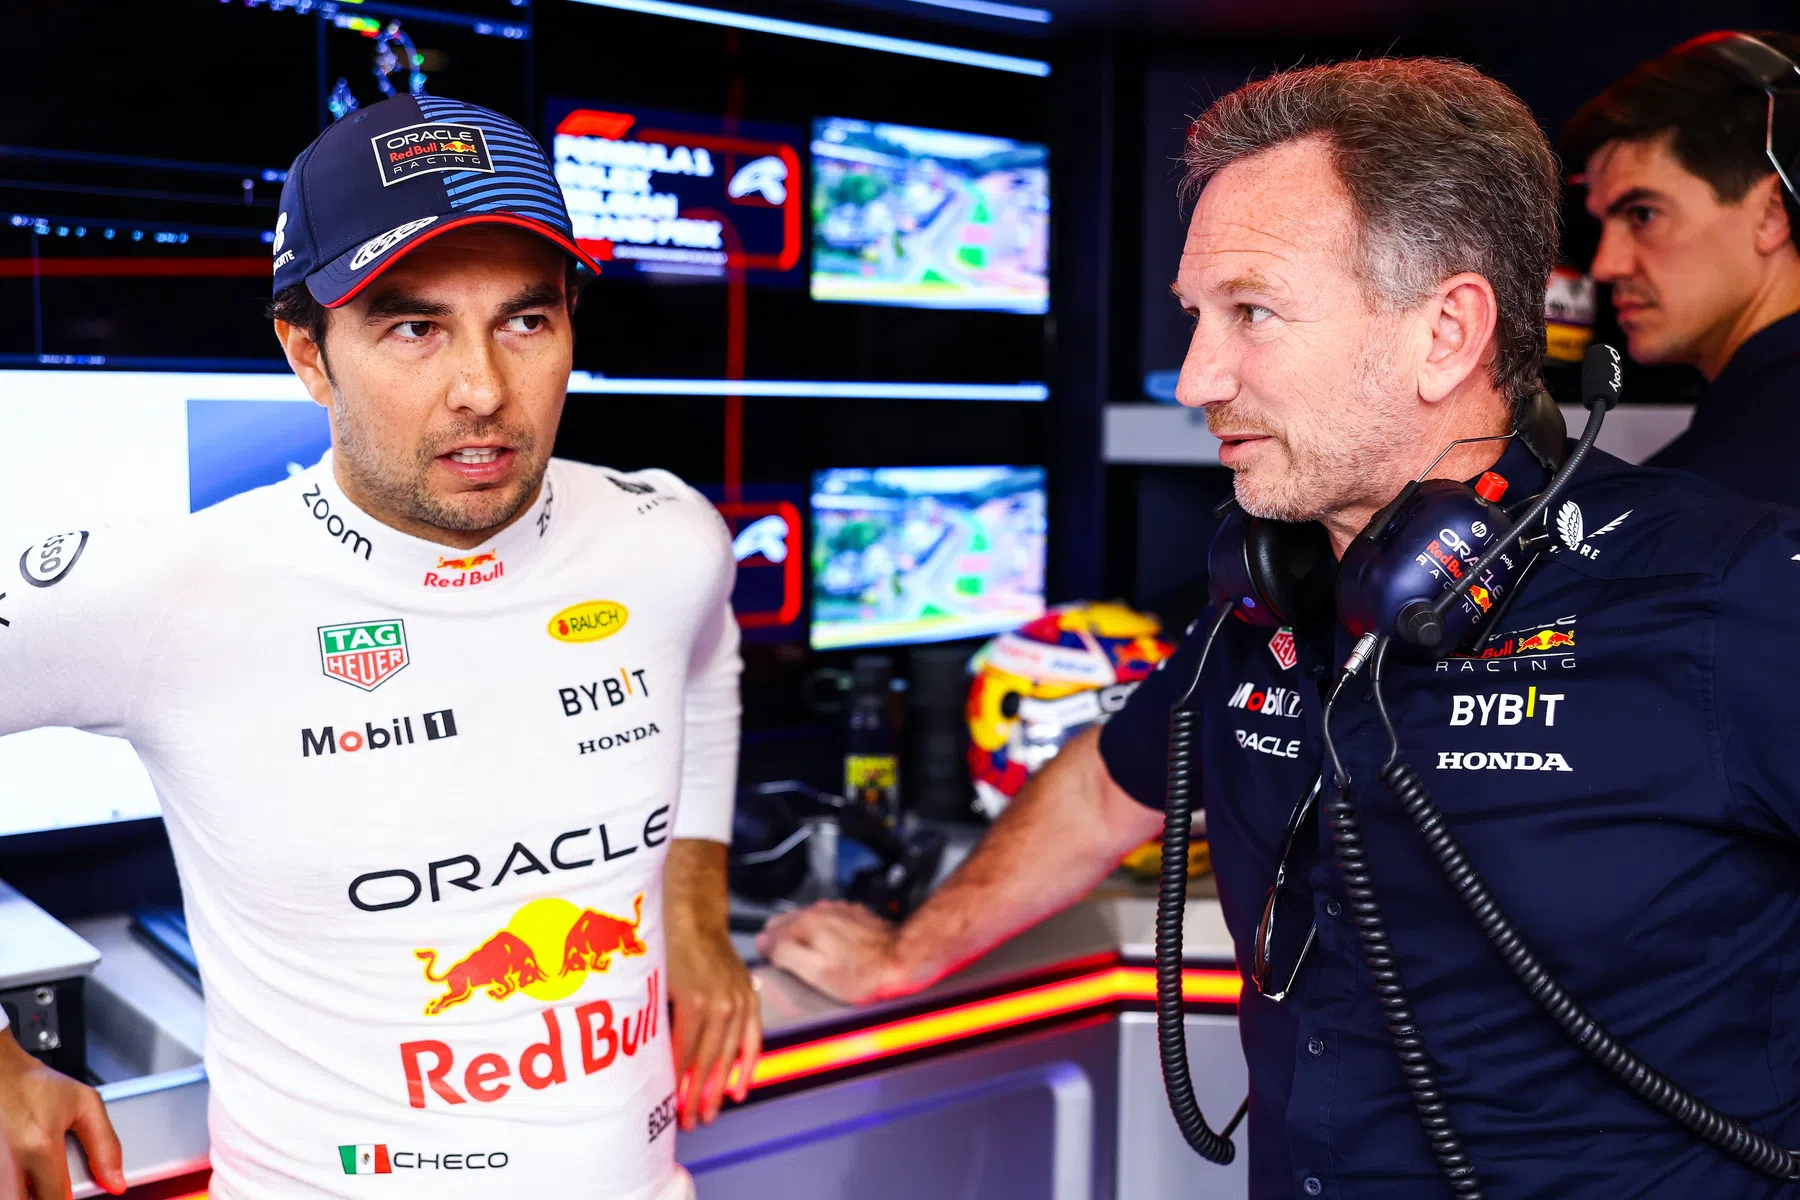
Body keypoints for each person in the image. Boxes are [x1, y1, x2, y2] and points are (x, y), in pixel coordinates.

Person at [762, 57, 1800, 1197]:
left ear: (1446, 332)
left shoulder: (1729, 593)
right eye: (1197, 318)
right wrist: (914, 947)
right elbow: (1114, 785)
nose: (1198, 375)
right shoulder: (1272, 596)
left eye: (1250, 312)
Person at [0, 94, 757, 1200]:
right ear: (308, 352)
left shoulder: (665, 534)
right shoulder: (175, 588)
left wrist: (693, 910)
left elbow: (709, 665)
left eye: (524, 320)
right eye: (414, 327)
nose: (483, 390)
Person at [1564, 30, 1800, 507]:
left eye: (1643, 214)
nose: (1606, 266)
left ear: (1772, 212)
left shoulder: (1714, 496)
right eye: (1601, 225)